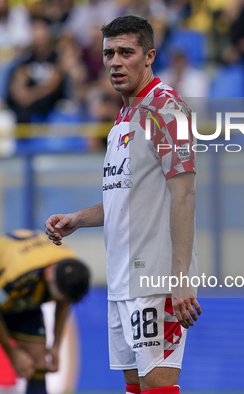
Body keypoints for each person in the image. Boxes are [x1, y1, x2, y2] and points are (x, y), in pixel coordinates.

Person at [45, 15, 201, 394]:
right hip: (122, 278)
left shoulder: (166, 109)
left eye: (125, 52)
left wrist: (179, 277)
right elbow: (125, 200)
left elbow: (184, 193)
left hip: (156, 277)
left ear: (148, 56)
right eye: (109, 53)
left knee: (158, 386)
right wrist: (78, 219)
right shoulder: (123, 118)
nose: (115, 61)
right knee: (135, 387)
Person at [0, 229, 90, 394]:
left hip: (24, 294)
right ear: (50, 275)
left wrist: (56, 346)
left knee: (39, 363)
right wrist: (13, 354)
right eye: (61, 295)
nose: (63, 300)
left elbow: (63, 302)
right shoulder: (20, 276)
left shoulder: (68, 269)